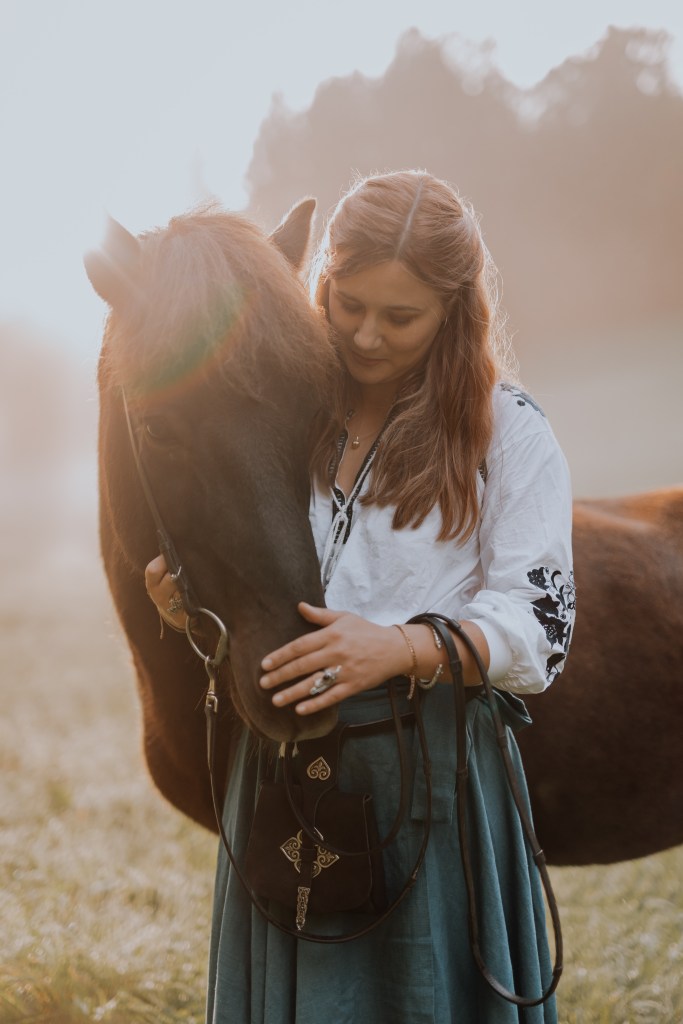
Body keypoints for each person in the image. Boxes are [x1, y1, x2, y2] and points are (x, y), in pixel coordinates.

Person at [145, 170, 574, 1023]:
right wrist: (195, 613)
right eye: (347, 303)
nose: (366, 336)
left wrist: (400, 646)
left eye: (401, 316)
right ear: (323, 279)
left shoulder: (506, 431)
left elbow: (539, 627)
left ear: (454, 311)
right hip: (282, 776)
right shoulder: (282, 415)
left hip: (431, 775)